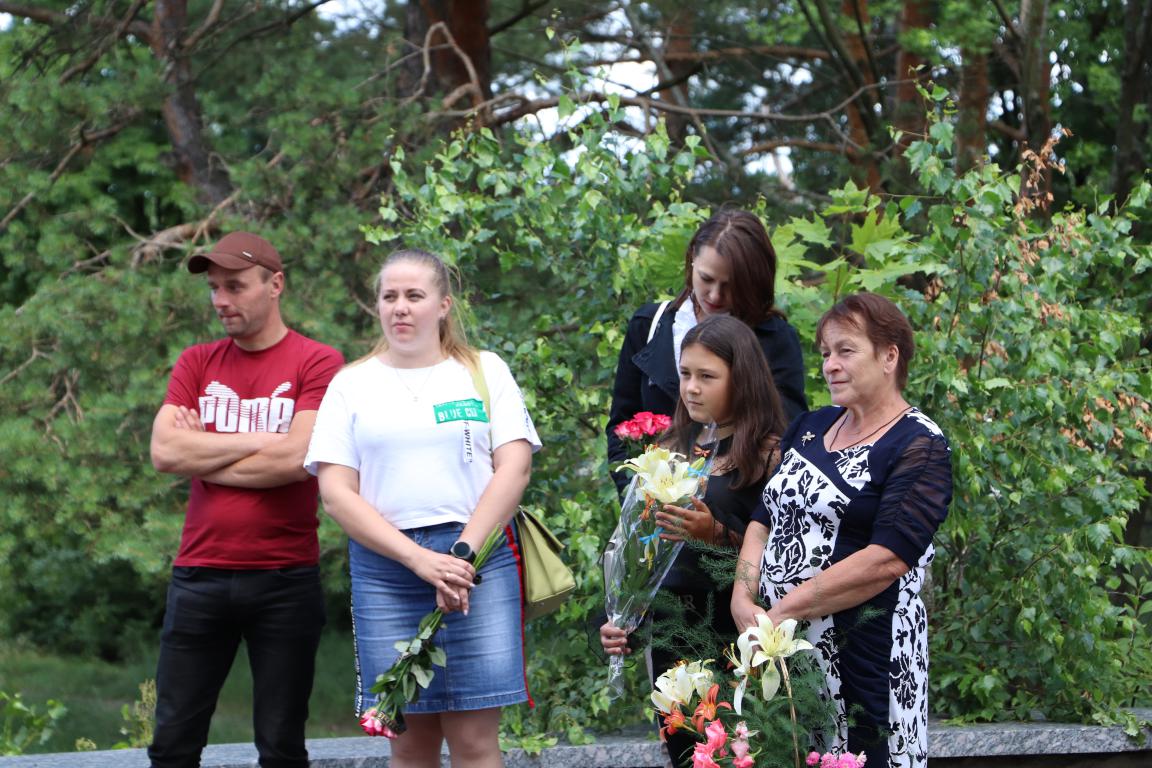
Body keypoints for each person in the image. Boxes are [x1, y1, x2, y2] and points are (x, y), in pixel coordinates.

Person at [304, 248, 541, 768]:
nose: (401, 307)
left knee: (475, 740)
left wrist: (459, 558)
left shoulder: (484, 370)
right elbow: (336, 492)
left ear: (443, 305)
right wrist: (418, 560)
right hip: (387, 568)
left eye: (414, 295)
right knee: (409, 743)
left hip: (476, 564)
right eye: (389, 296)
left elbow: (515, 468)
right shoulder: (350, 384)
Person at [147, 231, 344, 768]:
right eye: (214, 288)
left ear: (275, 284)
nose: (220, 300)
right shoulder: (196, 362)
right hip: (198, 575)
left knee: (281, 746)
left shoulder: (318, 362)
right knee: (172, 744)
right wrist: (264, 440)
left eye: (234, 286)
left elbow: (295, 459)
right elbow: (165, 451)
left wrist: (204, 453)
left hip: (285, 578)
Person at [732, 293, 953, 768]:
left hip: (865, 654)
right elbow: (763, 519)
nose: (830, 365)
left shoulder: (919, 444)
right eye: (826, 353)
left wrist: (783, 611)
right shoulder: (810, 426)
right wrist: (742, 598)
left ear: (889, 356)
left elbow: (887, 558)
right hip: (782, 651)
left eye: (846, 351)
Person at [600, 314, 789, 768]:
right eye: (685, 374)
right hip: (671, 632)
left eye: (707, 376)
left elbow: (782, 556)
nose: (691, 388)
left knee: (742, 754)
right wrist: (621, 617)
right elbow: (639, 547)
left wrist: (715, 534)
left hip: (733, 632)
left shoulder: (770, 454)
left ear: (742, 378)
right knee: (688, 756)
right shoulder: (670, 447)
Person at [606, 208, 807, 495]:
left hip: (737, 507)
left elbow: (787, 436)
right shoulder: (649, 326)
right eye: (707, 278)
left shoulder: (775, 339)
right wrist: (639, 496)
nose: (715, 295)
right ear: (691, 261)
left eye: (731, 285)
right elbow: (622, 428)